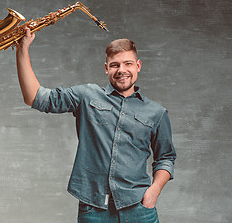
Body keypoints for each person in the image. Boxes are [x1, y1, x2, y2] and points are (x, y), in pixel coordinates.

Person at [16, 27, 176, 223]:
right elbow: (35, 98)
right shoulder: (87, 96)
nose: (122, 70)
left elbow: (166, 157)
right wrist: (22, 50)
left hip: (139, 209)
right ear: (106, 68)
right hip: (94, 209)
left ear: (138, 66)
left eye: (128, 64)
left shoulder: (156, 112)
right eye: (115, 65)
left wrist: (154, 192)